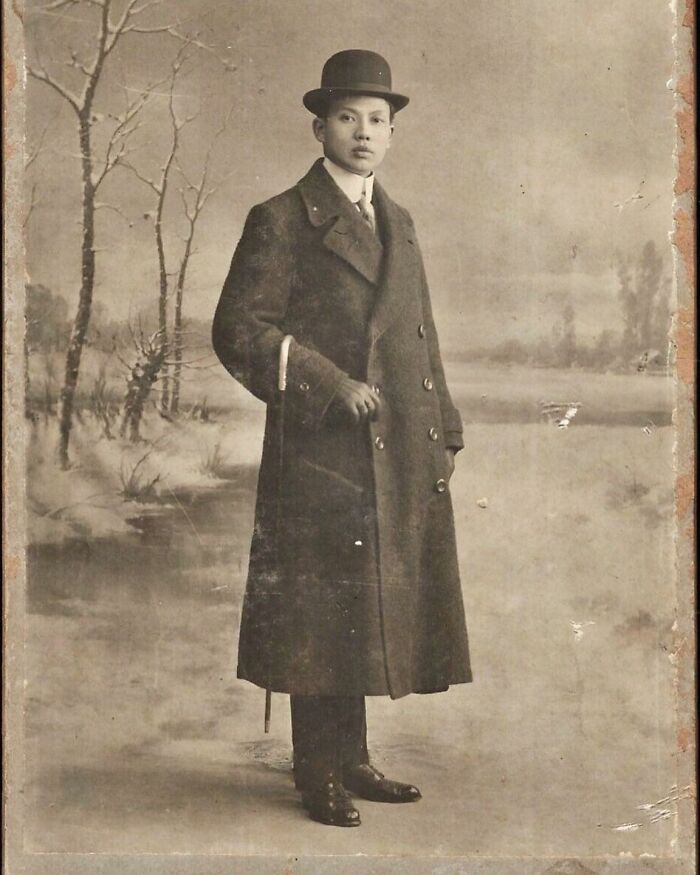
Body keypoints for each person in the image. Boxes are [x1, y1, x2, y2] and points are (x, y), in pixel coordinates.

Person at [212, 49, 472, 828]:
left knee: (367, 604)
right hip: (322, 451)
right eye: (349, 118)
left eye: (378, 121)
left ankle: (352, 756)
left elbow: (420, 337)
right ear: (319, 125)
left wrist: (446, 426)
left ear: (391, 135)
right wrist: (328, 386)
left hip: (397, 447)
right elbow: (239, 329)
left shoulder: (400, 221)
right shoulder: (282, 218)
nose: (364, 133)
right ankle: (315, 768)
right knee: (320, 611)